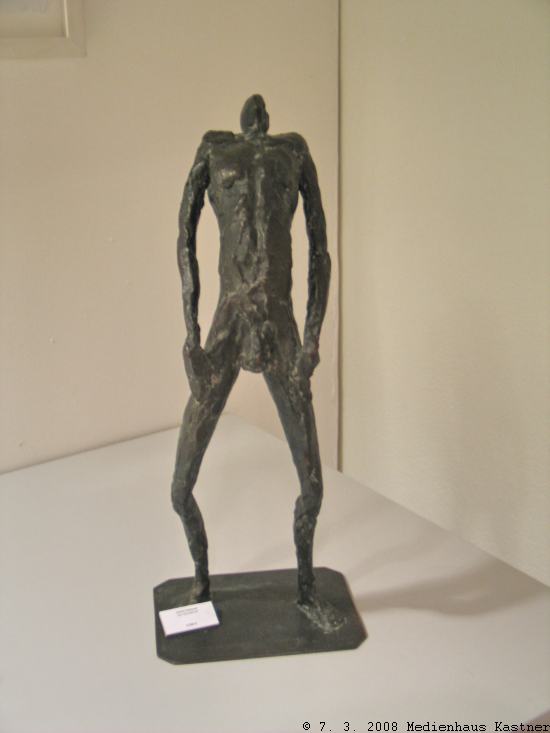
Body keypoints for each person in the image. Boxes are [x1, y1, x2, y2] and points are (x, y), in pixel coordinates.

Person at [171, 94, 336, 629]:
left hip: (281, 325)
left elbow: (319, 251)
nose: (257, 108)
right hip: (229, 320)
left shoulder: (295, 151)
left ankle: (306, 590)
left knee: (313, 485)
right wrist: (192, 337)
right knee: (180, 488)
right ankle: (200, 584)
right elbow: (185, 239)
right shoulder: (214, 149)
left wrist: (311, 339)